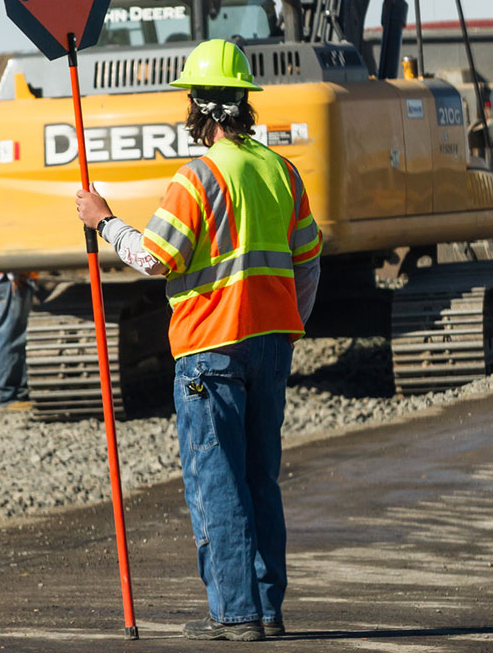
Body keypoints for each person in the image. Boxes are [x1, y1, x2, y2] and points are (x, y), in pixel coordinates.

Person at [74, 38, 321, 642]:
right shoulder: (281, 172)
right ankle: (266, 609)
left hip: (211, 350)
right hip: (270, 345)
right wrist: (290, 325)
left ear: (201, 110)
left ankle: (235, 614)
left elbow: (157, 258)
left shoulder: (198, 177)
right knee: (261, 477)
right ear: (244, 104)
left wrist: (104, 222)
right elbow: (310, 260)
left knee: (218, 481)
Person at [0, 271, 35, 411]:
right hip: (9, 279)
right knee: (11, 335)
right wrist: (13, 274)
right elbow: (7, 249)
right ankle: (5, 395)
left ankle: (19, 392)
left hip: (14, 278)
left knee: (17, 335)